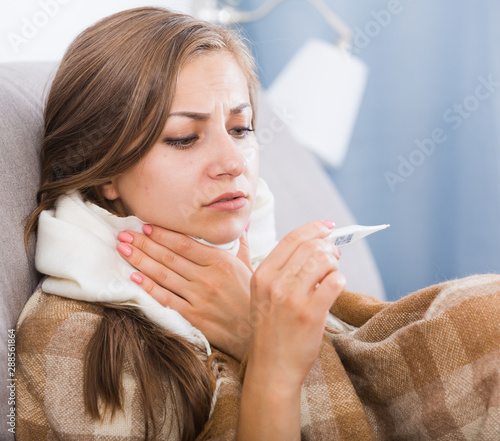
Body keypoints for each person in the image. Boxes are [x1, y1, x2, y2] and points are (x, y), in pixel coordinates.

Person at [16, 6, 500, 441]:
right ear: (106, 174)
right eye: (184, 138)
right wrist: (269, 356)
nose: (233, 162)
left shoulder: (263, 274)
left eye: (241, 128)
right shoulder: (75, 344)